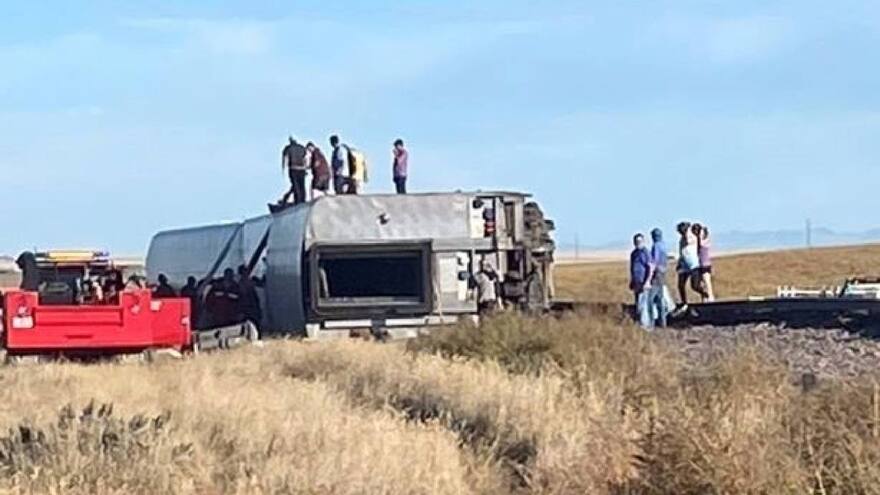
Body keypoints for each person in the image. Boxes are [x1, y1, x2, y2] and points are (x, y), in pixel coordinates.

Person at [675, 221, 702, 309]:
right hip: (684, 265)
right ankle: (684, 302)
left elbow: (688, 241)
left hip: (693, 265)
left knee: (695, 286)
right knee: (681, 285)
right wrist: (679, 262)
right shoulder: (681, 239)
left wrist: (687, 231)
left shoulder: (691, 236)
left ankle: (705, 294)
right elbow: (682, 252)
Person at [629, 233, 652, 329]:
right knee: (638, 304)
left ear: (643, 241)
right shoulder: (634, 253)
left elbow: (650, 267)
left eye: (639, 241)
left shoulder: (645, 252)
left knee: (643, 304)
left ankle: (645, 325)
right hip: (636, 281)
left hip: (643, 281)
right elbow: (632, 267)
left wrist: (647, 281)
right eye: (636, 241)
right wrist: (632, 280)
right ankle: (640, 322)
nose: (638, 243)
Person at [647, 228, 669, 328]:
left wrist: (649, 276)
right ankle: (663, 322)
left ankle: (651, 322)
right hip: (663, 272)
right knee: (660, 298)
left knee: (650, 300)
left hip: (657, 273)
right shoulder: (664, 245)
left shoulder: (656, 246)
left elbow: (654, 261)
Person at [280, 136, 308, 204]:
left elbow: (285, 159)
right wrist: (306, 167)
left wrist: (283, 169)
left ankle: (297, 201)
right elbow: (305, 158)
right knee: (302, 185)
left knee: (296, 185)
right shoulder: (302, 147)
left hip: (293, 168)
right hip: (302, 169)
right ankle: (303, 200)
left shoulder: (288, 148)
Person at [693, 223, 715, 302]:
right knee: (700, 284)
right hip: (699, 264)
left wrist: (700, 235)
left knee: (707, 282)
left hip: (705, 264)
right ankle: (704, 298)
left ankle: (710, 297)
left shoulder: (706, 240)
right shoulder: (696, 241)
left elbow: (702, 244)